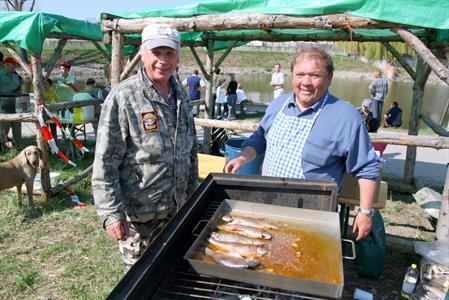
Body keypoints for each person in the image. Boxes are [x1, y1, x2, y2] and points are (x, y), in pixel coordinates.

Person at [224, 48, 379, 241]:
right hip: (269, 201)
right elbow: (260, 138)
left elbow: (366, 168)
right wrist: (243, 157)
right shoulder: (278, 104)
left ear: (329, 77)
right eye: (300, 75)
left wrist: (365, 211)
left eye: (315, 75)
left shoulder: (346, 116)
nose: (306, 82)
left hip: (314, 211)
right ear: (292, 76)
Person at [92, 23, 199, 272]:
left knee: (171, 273)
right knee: (139, 281)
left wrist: (193, 198)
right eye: (156, 52)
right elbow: (105, 161)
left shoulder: (181, 95)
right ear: (143, 52)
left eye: (169, 53)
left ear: (178, 56)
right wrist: (111, 213)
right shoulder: (124, 97)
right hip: (140, 218)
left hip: (177, 210)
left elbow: (190, 151)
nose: (163, 60)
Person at [0, 57, 23, 144]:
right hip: (3, 105)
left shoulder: (15, 75)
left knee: (17, 124)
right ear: (6, 65)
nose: (15, 67)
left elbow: (19, 86)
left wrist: (19, 88)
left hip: (16, 103)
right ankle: (2, 147)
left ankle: (18, 145)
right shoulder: (0, 75)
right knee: (5, 126)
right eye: (13, 65)